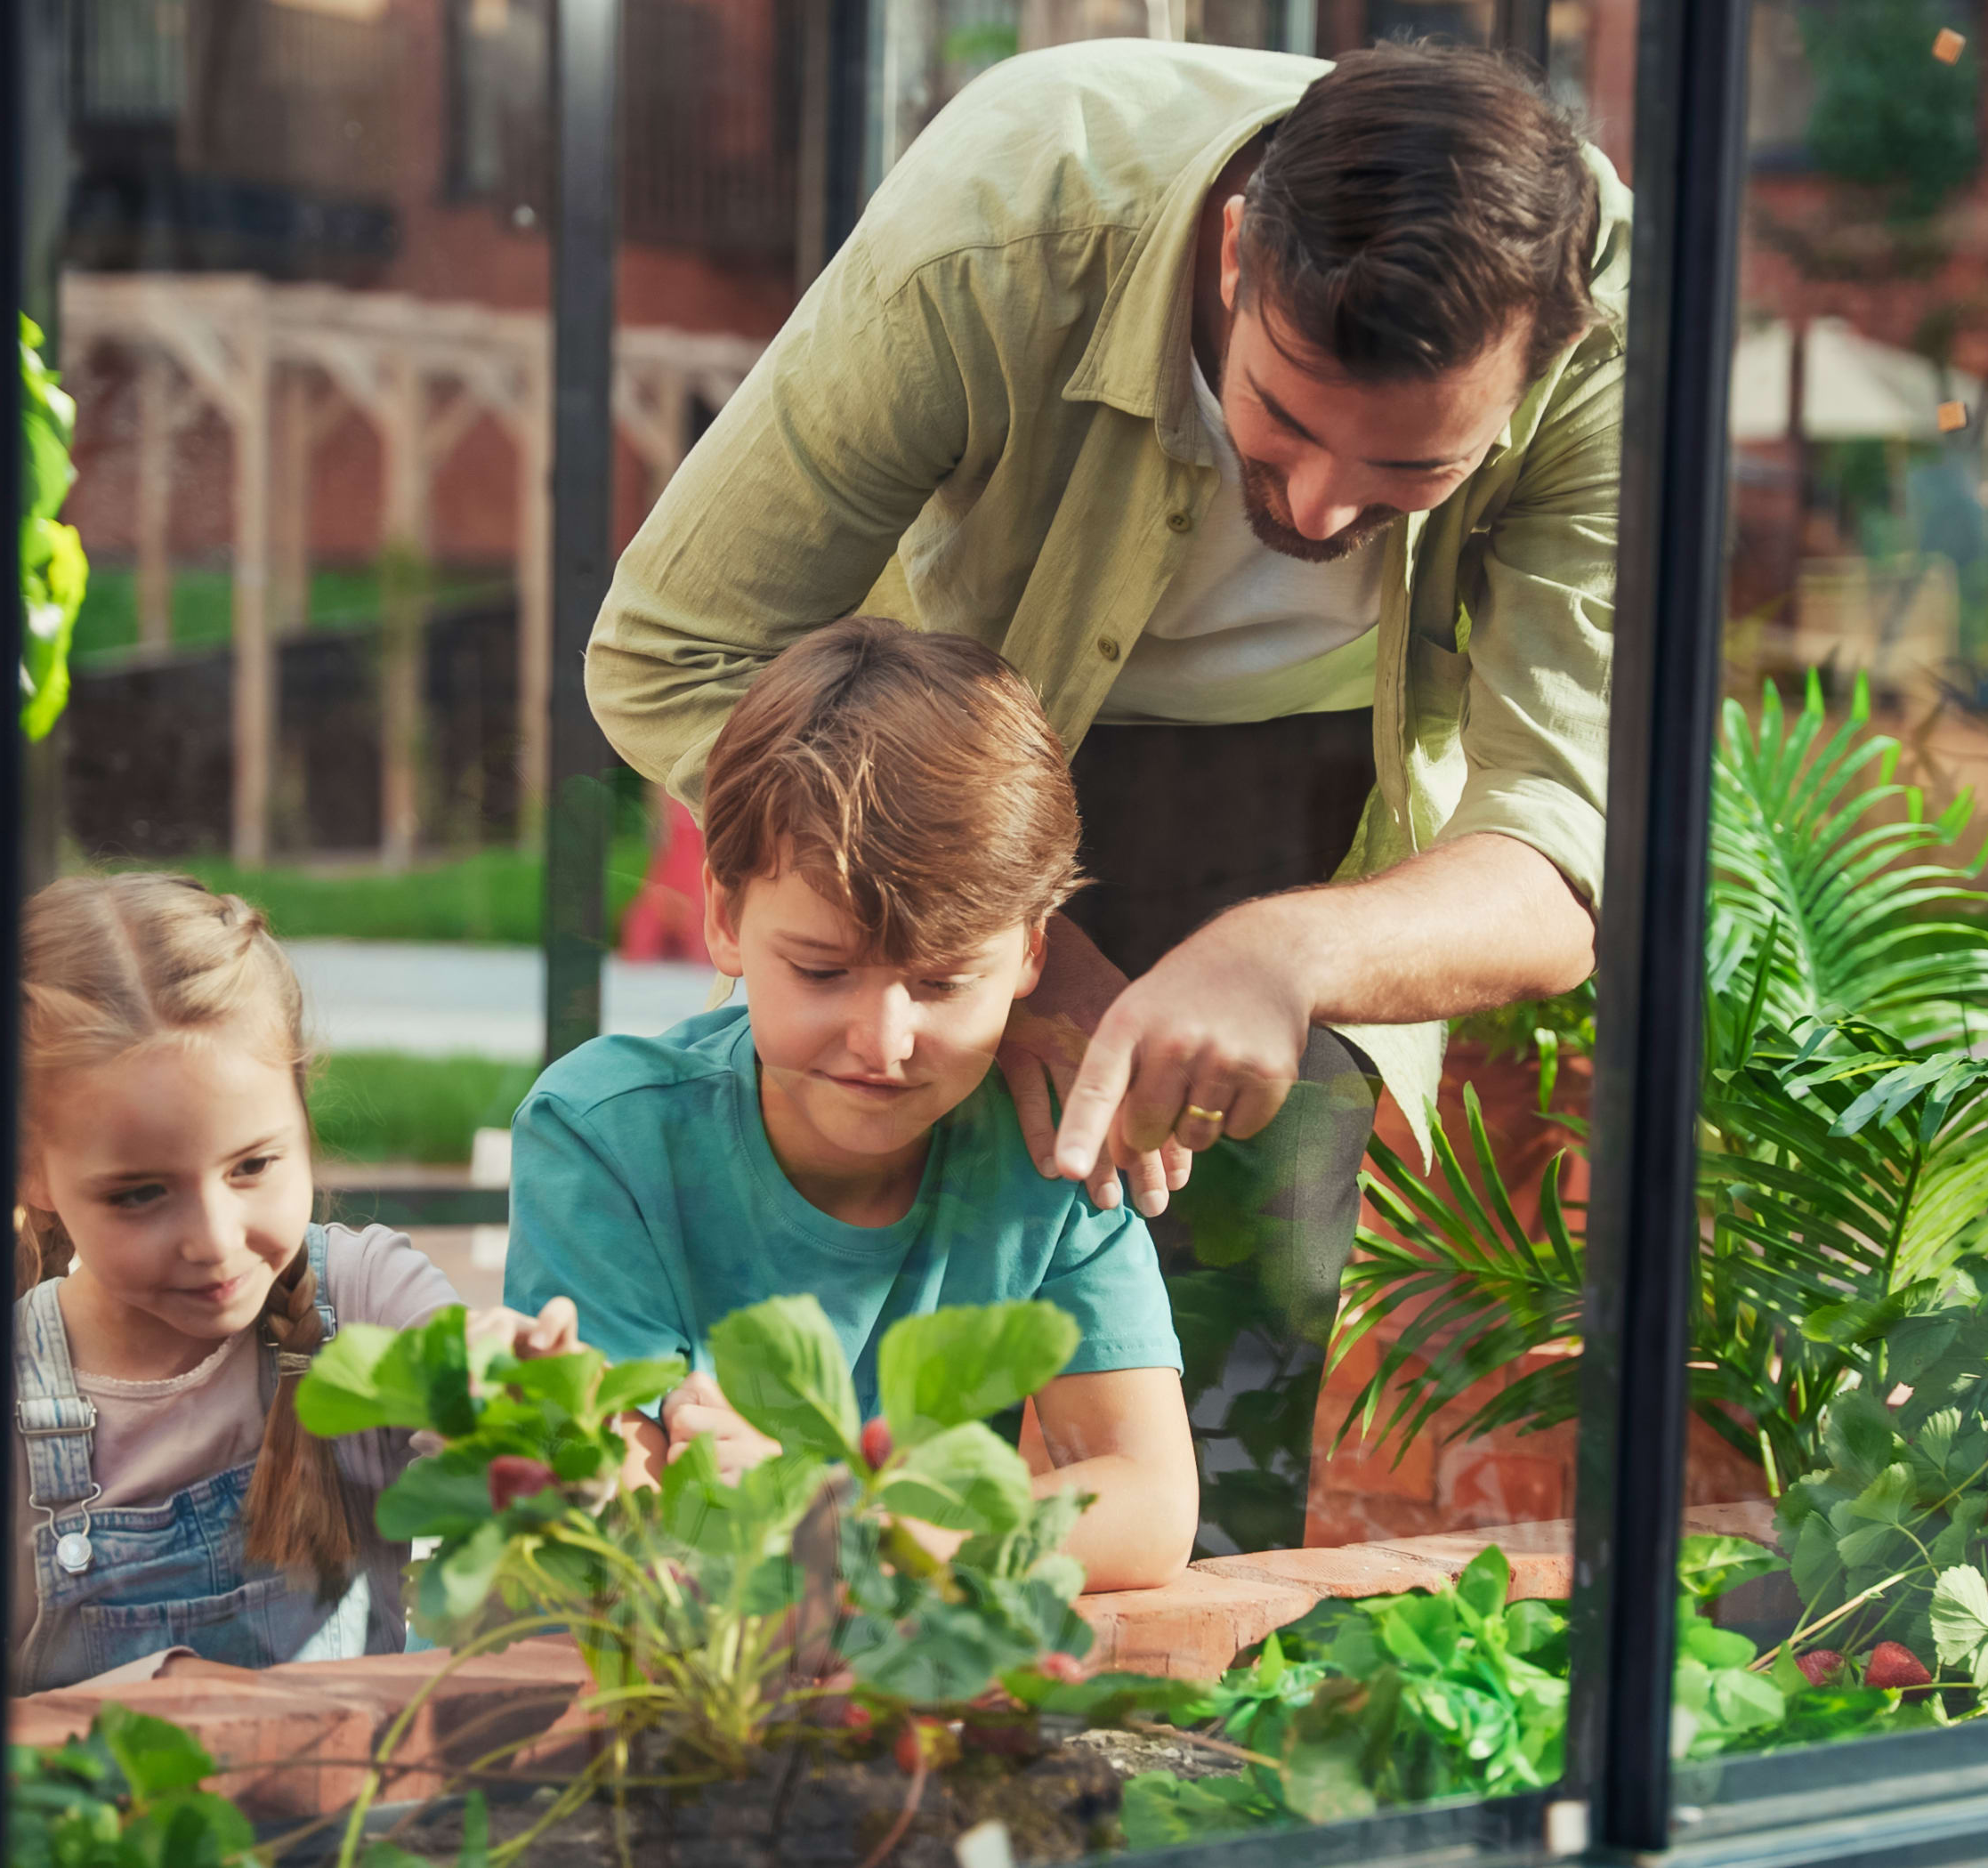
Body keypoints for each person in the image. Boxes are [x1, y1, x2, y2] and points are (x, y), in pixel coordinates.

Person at [586, 38, 1622, 1549]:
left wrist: (1290, 955)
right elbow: (672, 651)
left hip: (1332, 808)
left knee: (1226, 1418)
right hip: (949, 778)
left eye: (1410, 474)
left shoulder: (1603, 328)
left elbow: (1556, 851)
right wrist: (1005, 947)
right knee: (872, 1378)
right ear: (1231, 248)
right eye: (1282, 415)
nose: (1323, 510)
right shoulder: (1009, 216)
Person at [505, 619, 1200, 1590]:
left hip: (868, 1684)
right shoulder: (605, 1133)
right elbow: (624, 1516)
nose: (884, 1041)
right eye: (824, 969)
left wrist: (843, 1518)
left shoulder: (1053, 1156)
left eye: (945, 983)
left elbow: (1149, 1508)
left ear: (1035, 952)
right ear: (723, 915)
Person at [8, 873, 572, 1694]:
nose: (214, 1240)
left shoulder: (368, 1293)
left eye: (253, 1165)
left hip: (359, 1823)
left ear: (302, 1115)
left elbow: (515, 1495)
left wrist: (513, 1406)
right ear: (32, 1168)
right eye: (139, 1193)